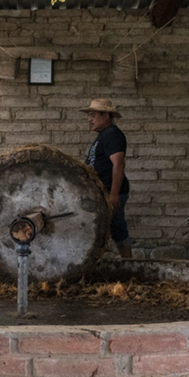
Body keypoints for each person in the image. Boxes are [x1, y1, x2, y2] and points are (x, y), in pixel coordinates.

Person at [81, 98, 132, 258]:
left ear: (106, 116)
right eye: (89, 115)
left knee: (117, 227)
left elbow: (119, 164)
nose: (90, 119)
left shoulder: (112, 135)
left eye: (93, 115)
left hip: (112, 192)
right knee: (105, 227)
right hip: (105, 192)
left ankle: (129, 264)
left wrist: (114, 194)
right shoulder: (104, 135)